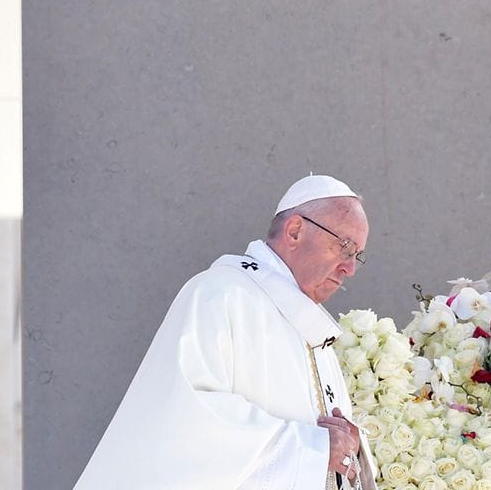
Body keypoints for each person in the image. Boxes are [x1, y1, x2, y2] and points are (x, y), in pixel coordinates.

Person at [74, 175, 378, 489]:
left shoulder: (313, 331)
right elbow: (188, 421)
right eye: (344, 246)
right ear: (295, 231)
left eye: (357, 255)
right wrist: (313, 448)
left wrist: (351, 443)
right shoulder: (219, 295)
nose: (350, 268)